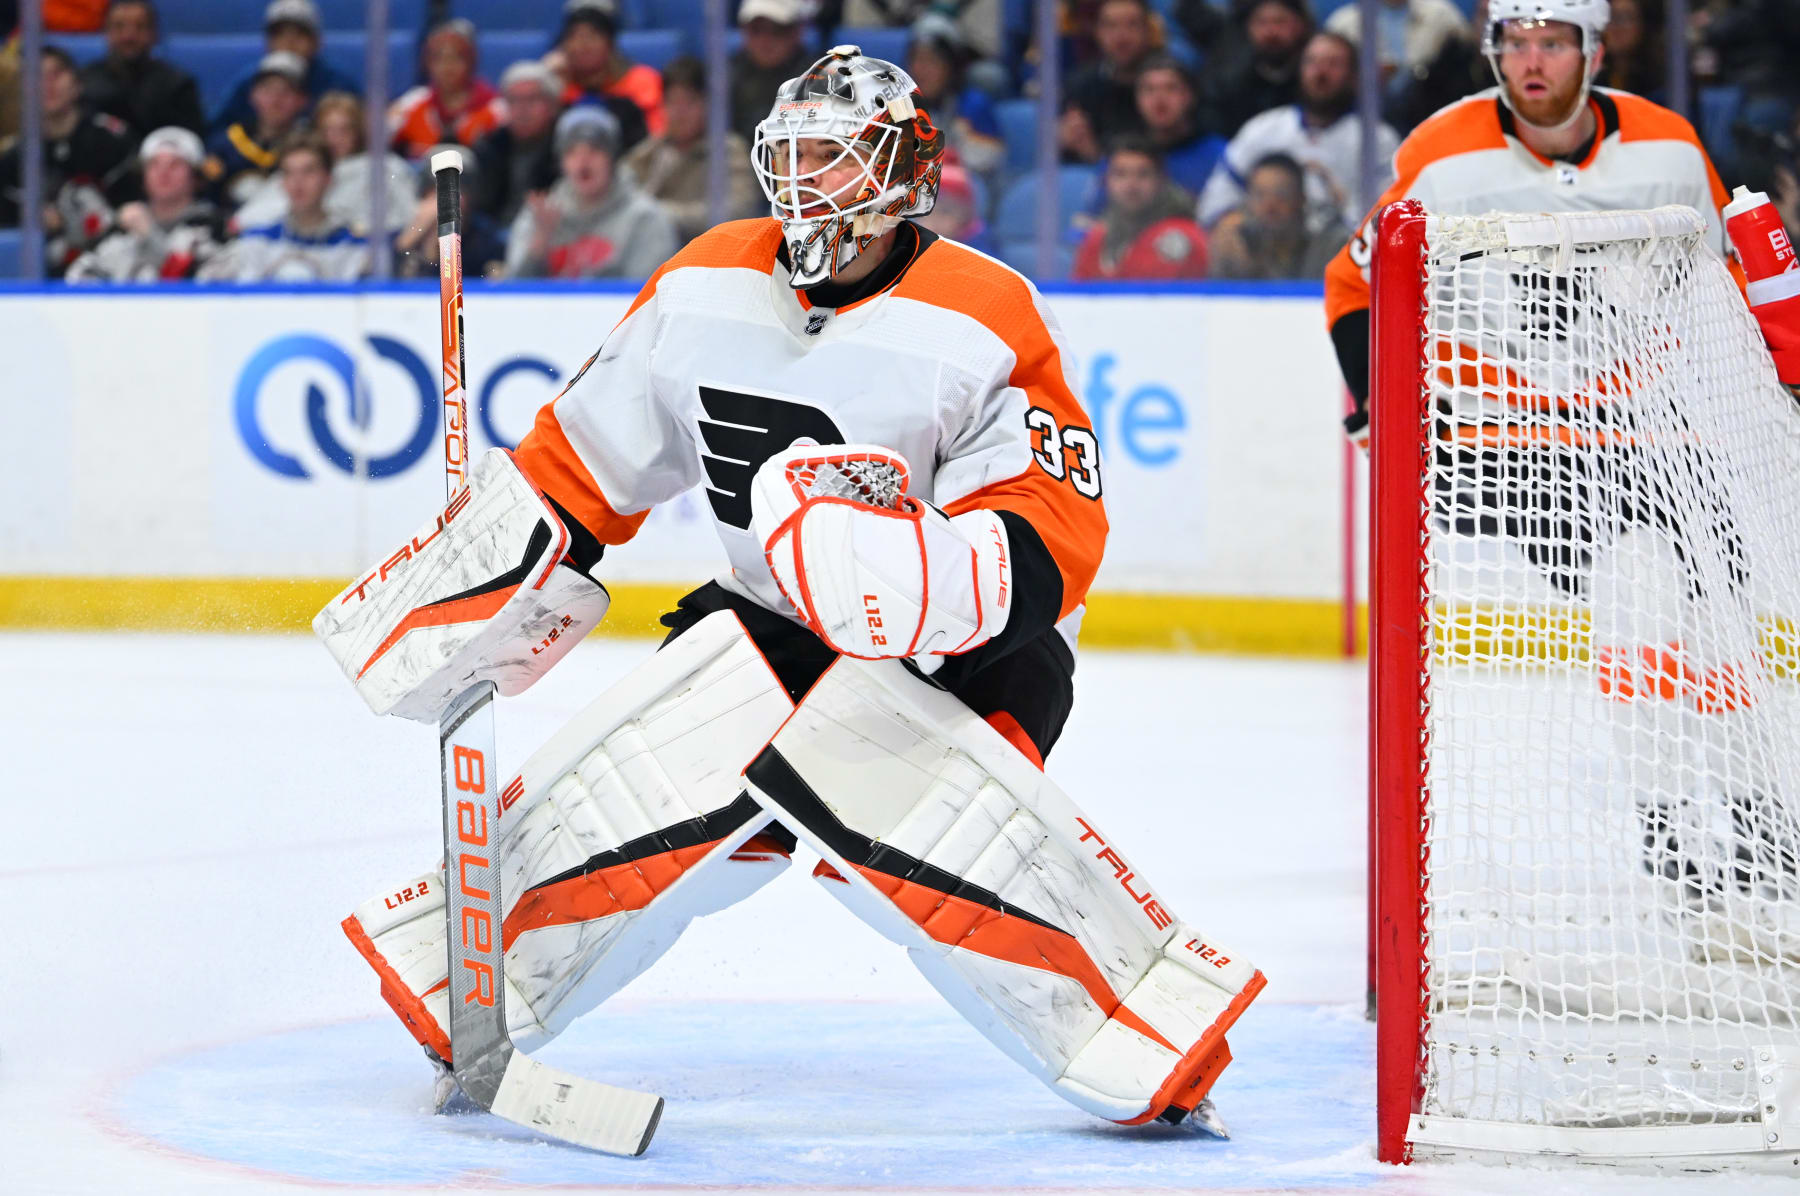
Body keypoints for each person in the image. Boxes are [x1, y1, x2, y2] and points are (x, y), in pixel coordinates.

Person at [327, 46, 1261, 1144]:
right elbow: (581, 463)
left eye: (838, 155)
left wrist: (910, 581)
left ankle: (1150, 1043)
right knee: (647, 782)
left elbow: (1049, 523)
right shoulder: (704, 281)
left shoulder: (983, 308)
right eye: (796, 154)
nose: (809, 179)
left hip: (961, 649)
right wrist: (480, 578)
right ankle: (464, 983)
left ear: (906, 170)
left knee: (940, 853)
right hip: (768, 621)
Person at [1324, 0, 1732, 446]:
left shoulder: (1671, 148)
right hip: (1486, 435)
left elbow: (1730, 275)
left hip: (1641, 431)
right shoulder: (1440, 152)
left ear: (1594, 54)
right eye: (1517, 44)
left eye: (1552, 44)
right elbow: (1354, 281)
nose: (1532, 63)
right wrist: (1374, 389)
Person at [1196, 31, 1397, 232]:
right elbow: (1217, 197)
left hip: (1343, 245)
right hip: (1268, 245)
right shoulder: (1263, 128)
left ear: (1354, 76)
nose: (1321, 73)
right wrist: (1228, 223)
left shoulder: (1378, 140)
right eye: (1312, 62)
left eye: (1333, 64)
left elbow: (1386, 215)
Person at [0, 45, 139, 274]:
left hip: (112, 267)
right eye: (37, 77)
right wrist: (31, 222)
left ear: (77, 85)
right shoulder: (13, 159)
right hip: (40, 274)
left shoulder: (113, 141)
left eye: (56, 74)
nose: (48, 84)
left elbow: (133, 210)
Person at [504, 105, 677, 279]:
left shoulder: (645, 218)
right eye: (571, 152)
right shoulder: (539, 215)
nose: (583, 161)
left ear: (612, 158)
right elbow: (512, 289)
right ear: (561, 162)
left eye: (594, 150)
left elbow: (649, 289)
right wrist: (538, 247)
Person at [618, 55, 757, 248]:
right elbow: (615, 199)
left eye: (689, 102)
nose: (679, 112)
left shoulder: (729, 150)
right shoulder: (647, 152)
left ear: (708, 105)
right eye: (672, 102)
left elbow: (738, 212)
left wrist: (659, 214)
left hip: (706, 252)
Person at [231, 90, 414, 236]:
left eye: (344, 130)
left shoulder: (385, 166)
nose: (334, 139)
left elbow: (408, 218)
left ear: (358, 132)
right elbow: (251, 216)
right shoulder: (298, 169)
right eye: (327, 130)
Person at [202, 131, 369, 280]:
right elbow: (205, 283)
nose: (297, 182)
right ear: (281, 181)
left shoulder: (354, 246)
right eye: (289, 173)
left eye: (308, 171)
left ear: (328, 179)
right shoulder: (257, 241)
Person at [65, 124, 224, 280]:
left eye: (175, 164)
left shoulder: (214, 226)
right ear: (142, 175)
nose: (164, 172)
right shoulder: (126, 224)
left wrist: (149, 235)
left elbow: (205, 283)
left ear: (195, 176)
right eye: (154, 164)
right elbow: (79, 276)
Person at [208, 0, 359, 136]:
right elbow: (218, 129)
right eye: (279, 34)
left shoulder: (338, 84)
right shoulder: (251, 80)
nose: (289, 42)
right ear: (267, 42)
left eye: (299, 35)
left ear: (317, 41)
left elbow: (359, 129)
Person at [1072, 137, 1209, 279]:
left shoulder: (1184, 237)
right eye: (1121, 174)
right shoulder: (1096, 237)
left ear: (1161, 180)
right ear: (1106, 181)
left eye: (1143, 174)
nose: (1131, 185)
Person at [77, 0, 204, 141]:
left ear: (154, 34)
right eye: (119, 27)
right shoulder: (83, 84)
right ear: (106, 33)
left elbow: (191, 142)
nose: (128, 36)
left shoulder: (178, 86)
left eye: (139, 27)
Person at [1205, 150, 1343, 278]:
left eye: (1281, 195)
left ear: (1301, 199)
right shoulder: (1240, 241)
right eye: (1260, 195)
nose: (1270, 207)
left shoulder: (1326, 247)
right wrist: (1227, 264)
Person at [205, 50, 310, 213]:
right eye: (268, 90)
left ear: (302, 100)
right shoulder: (226, 143)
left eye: (286, 92)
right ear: (253, 95)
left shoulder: (311, 145)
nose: (276, 100)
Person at [388, 19, 505, 161]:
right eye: (438, 58)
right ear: (427, 64)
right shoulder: (409, 105)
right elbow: (380, 143)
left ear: (471, 62)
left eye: (457, 57)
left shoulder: (496, 109)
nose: (447, 66)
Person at [904, 13, 1003, 181]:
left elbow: (992, 162)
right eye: (917, 60)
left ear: (951, 66)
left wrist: (962, 145)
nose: (922, 70)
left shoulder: (973, 105)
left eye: (932, 61)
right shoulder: (900, 106)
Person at [1197, 0, 1313, 140]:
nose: (1271, 31)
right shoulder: (1230, 82)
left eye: (1280, 22)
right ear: (1249, 28)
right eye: (1262, 23)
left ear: (1299, 26)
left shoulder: (1317, 79)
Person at [473, 60, 565, 228]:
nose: (523, 108)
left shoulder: (565, 150)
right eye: (514, 100)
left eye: (532, 99)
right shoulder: (489, 147)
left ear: (553, 106)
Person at [556, 0, 662, 144]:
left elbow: (658, 137)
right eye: (574, 37)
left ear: (610, 44)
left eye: (592, 36)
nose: (582, 45)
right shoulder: (559, 86)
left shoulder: (643, 82)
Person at [392, 145, 504, 279]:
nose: (447, 202)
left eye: (457, 189)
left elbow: (495, 281)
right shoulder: (398, 235)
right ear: (424, 194)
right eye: (437, 190)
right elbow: (379, 281)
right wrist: (405, 244)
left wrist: (443, 251)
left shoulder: (486, 239)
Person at [1065, 0, 1161, 153]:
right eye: (1110, 26)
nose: (1121, 36)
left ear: (1148, 31)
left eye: (1132, 25)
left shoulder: (1168, 83)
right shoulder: (1081, 84)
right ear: (1097, 32)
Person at [1323, 0, 1470, 98]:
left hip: (1431, 103)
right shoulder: (1342, 24)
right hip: (1365, 111)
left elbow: (1470, 54)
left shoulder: (1442, 14)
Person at [1130, 52, 1225, 202]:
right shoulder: (1122, 156)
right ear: (1137, 100)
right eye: (1149, 90)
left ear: (1190, 96)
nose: (1159, 99)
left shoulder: (1219, 156)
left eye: (1170, 88)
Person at [728, 0, 814, 143]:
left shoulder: (820, 80)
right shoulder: (724, 76)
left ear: (798, 31)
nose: (765, 40)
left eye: (777, 30)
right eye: (756, 29)